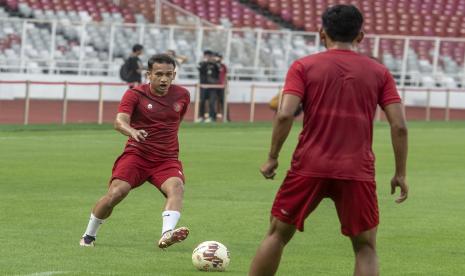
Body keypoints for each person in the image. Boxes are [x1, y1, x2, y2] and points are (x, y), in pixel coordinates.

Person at [249, 4, 409, 276]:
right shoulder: (379, 72)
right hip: (356, 169)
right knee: (365, 247)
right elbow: (400, 126)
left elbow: (285, 114)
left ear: (321, 33)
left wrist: (273, 157)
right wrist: (400, 173)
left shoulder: (304, 66)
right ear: (361, 35)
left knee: (277, 235)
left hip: (309, 164)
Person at [80, 54, 191, 249]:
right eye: (158, 74)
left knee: (177, 188)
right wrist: (132, 131)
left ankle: (166, 234)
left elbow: (175, 121)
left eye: (168, 74)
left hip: (166, 159)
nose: (164, 79)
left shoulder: (182, 95)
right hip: (137, 155)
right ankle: (89, 235)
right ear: (149, 74)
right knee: (116, 193)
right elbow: (119, 121)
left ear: (174, 75)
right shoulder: (135, 94)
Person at [197, 50, 221, 122]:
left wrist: (214, 62)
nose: (208, 57)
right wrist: (205, 62)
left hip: (213, 86)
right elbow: (200, 69)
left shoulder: (215, 64)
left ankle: (212, 117)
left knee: (212, 102)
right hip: (203, 85)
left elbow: (219, 70)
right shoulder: (201, 63)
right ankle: (201, 116)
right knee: (202, 102)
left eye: (209, 56)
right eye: (206, 56)